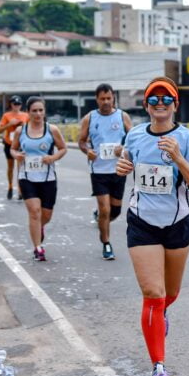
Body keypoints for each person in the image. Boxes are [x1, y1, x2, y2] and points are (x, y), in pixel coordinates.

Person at [115, 76, 189, 376]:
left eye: (166, 99)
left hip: (179, 221)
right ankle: (158, 369)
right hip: (142, 222)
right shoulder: (136, 135)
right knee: (153, 294)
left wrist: (179, 157)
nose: (159, 105)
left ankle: (162, 312)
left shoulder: (188, 137)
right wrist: (121, 168)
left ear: (175, 105)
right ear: (146, 106)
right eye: (153, 100)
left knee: (170, 294)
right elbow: (126, 163)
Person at [78, 83, 132, 260]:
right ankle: (106, 243)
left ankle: (101, 217)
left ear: (113, 98)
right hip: (99, 171)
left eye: (109, 98)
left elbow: (133, 140)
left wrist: (122, 148)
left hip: (118, 170)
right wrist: (88, 151)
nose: (106, 102)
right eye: (102, 99)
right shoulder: (89, 118)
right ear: (97, 99)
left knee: (114, 212)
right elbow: (82, 141)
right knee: (105, 209)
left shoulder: (122, 116)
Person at [10, 97, 67, 261]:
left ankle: (39, 227)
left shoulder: (52, 130)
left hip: (48, 178)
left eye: (41, 110)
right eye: (34, 110)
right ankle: (38, 248)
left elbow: (63, 148)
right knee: (34, 212)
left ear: (44, 112)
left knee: (46, 215)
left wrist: (53, 157)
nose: (38, 113)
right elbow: (13, 149)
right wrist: (17, 155)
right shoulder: (21, 131)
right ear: (28, 112)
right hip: (27, 177)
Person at [0, 96, 30, 200]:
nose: (16, 106)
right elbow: (0, 130)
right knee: (10, 167)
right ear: (11, 105)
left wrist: (24, 125)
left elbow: (31, 128)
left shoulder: (26, 115)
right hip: (9, 143)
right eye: (14, 104)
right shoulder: (6, 115)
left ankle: (20, 191)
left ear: (21, 105)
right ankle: (10, 186)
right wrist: (10, 124)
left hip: (21, 144)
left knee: (20, 168)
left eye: (18, 104)